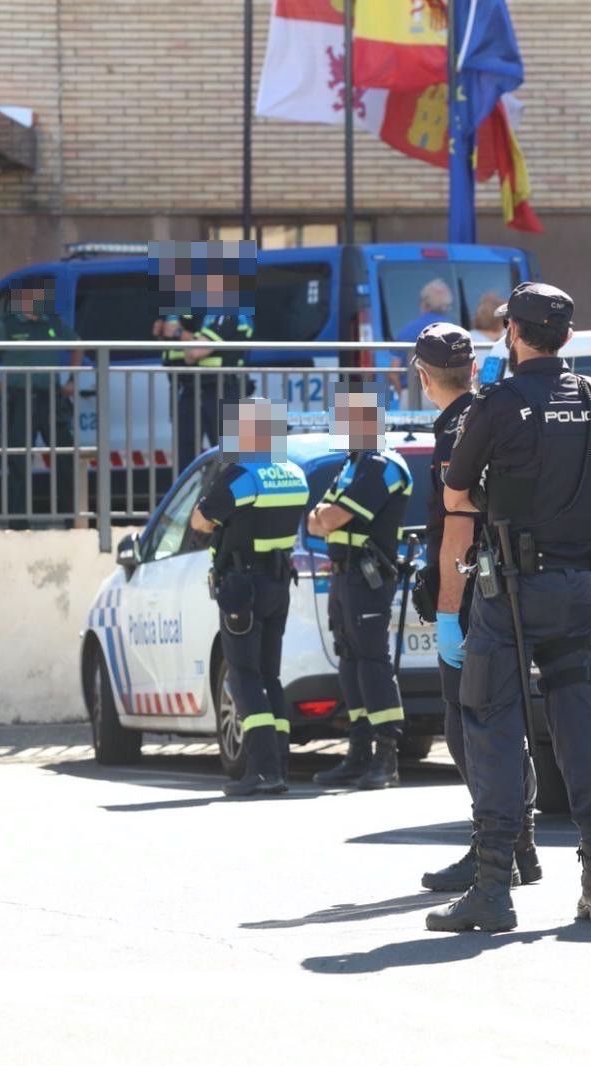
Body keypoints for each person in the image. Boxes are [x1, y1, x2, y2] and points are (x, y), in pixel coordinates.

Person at [428, 281, 591, 933]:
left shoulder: (501, 403)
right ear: (563, 335)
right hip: (576, 588)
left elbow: (457, 489)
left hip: (509, 588)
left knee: (493, 727)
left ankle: (492, 887)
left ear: (514, 333)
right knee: (580, 734)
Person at [410, 322, 543, 893]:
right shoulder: (490, 414)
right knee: (501, 724)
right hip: (505, 589)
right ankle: (522, 846)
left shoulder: (455, 432)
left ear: (422, 376)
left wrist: (445, 615)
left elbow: (458, 529)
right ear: (470, 370)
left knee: (470, 730)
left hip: (470, 599)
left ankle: (492, 849)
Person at [190, 398, 309, 797]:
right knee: (270, 676)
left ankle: (261, 771)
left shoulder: (242, 476)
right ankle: (279, 764)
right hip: (278, 585)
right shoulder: (295, 473)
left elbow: (201, 520)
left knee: (244, 676)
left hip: (242, 587)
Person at [306, 390, 414, 790]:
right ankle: (359, 751)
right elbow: (316, 520)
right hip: (344, 574)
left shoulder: (382, 466)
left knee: (371, 660)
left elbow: (330, 517)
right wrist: (325, 519)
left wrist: (325, 519)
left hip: (368, 577)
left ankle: (386, 755)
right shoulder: (353, 464)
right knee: (350, 658)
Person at [0, 282, 82, 527]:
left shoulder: (51, 323)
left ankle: (72, 520)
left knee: (65, 457)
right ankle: (19, 525)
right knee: (18, 461)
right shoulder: (9, 325)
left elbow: (78, 346)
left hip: (50, 397)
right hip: (19, 399)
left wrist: (72, 379)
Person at [167, 271, 256, 470]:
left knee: (233, 460)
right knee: (190, 455)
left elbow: (194, 353)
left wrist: (179, 333)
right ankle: (195, 500)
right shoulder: (213, 314)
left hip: (223, 390)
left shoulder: (227, 312)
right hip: (203, 389)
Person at [394, 278, 456, 343]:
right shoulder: (456, 332)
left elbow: (395, 351)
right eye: (449, 305)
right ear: (446, 307)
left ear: (423, 304)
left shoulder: (407, 331)